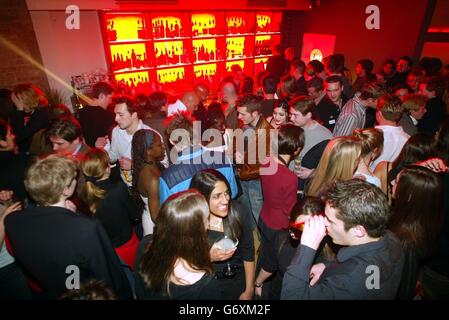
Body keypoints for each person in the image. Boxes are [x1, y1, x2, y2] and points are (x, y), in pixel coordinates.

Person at [5, 155, 133, 299]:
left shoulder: (11, 221)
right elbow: (108, 274)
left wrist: (68, 215)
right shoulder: (85, 228)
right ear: (66, 190)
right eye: (74, 179)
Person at [281, 179, 404, 300]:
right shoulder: (391, 239)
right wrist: (328, 267)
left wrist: (307, 249)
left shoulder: (350, 281)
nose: (324, 223)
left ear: (358, 231)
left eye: (330, 220)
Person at [134, 190, 222, 300]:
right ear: (196, 231)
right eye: (206, 220)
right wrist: (208, 258)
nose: (208, 225)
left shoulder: (145, 244)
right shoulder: (204, 285)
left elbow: (139, 290)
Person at [254, 124, 304, 297]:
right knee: (272, 262)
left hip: (264, 216)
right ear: (296, 150)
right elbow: (290, 209)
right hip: (278, 226)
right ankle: (258, 284)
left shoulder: (266, 160)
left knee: (265, 249)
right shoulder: (290, 177)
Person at [190, 169, 255, 300]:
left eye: (226, 193)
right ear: (201, 197)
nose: (225, 200)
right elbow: (185, 265)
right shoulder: (191, 221)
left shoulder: (239, 211)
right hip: (207, 284)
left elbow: (248, 253)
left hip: (237, 279)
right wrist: (209, 258)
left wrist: (249, 289)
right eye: (217, 196)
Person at [389, 166, 444, 299]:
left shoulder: (407, 242)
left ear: (409, 195)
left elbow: (404, 290)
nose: (391, 183)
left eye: (396, 182)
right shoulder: (425, 219)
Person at [81, 148, 140, 269]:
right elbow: (135, 214)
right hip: (128, 244)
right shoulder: (117, 189)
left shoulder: (86, 193)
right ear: (107, 169)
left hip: (109, 248)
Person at [131, 129, 165, 236]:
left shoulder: (149, 164)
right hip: (155, 228)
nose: (163, 147)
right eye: (159, 145)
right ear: (149, 151)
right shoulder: (152, 179)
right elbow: (155, 217)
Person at [9, 83, 49, 153]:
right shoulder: (32, 112)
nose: (15, 104)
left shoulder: (41, 114)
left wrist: (19, 109)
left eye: (16, 102)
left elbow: (19, 137)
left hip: (37, 154)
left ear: (26, 99)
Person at [77, 82, 115, 148]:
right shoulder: (110, 116)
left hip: (88, 153)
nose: (111, 101)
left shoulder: (80, 112)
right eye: (110, 98)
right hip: (102, 154)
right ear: (101, 96)